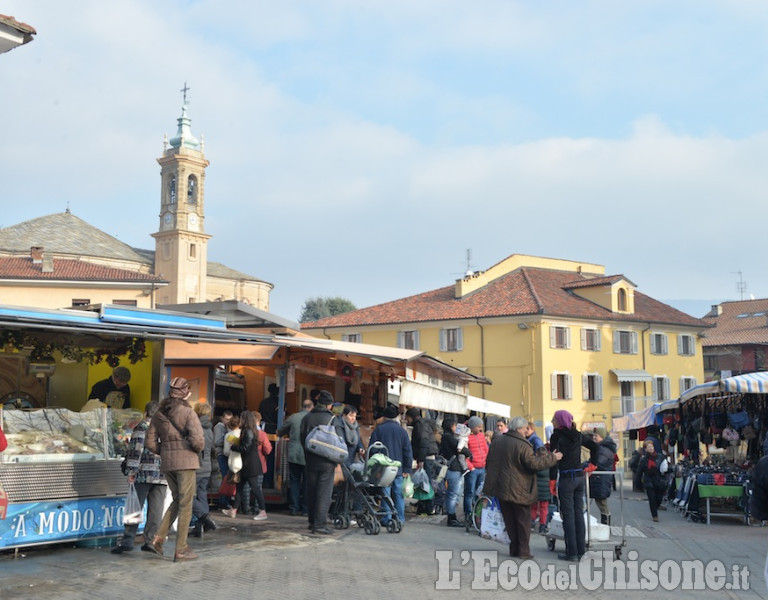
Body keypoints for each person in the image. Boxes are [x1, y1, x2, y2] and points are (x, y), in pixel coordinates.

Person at [484, 416, 561, 559]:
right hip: (519, 488)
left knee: (509, 520)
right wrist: (552, 458)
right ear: (519, 428)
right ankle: (523, 551)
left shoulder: (497, 441)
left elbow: (489, 462)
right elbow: (533, 464)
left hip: (500, 487)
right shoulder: (522, 444)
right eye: (526, 428)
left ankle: (514, 549)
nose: (527, 431)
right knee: (522, 521)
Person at [145, 377, 205, 561]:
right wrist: (195, 449)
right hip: (186, 463)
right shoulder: (188, 412)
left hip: (168, 463)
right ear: (185, 392)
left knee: (177, 500)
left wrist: (165, 451)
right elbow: (198, 441)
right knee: (186, 504)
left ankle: (158, 538)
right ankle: (181, 549)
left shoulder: (159, 414)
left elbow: (149, 442)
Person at [111, 399, 167, 554]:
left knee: (135, 507)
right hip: (162, 475)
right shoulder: (166, 428)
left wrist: (131, 472)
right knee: (156, 510)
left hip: (143, 474)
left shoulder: (142, 427)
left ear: (146, 412)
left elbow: (136, 451)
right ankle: (150, 541)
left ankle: (128, 541)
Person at [549, 409, 598, 562]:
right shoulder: (577, 435)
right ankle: (581, 552)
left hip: (566, 479)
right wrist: (592, 465)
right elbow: (595, 447)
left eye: (554, 419)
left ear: (559, 421)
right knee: (579, 515)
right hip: (579, 477)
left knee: (568, 516)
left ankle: (571, 553)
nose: (552, 422)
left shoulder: (556, 436)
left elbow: (553, 460)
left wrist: (552, 481)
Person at [300, 390, 339, 535]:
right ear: (329, 405)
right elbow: (338, 440)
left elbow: (302, 438)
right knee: (324, 492)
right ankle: (320, 524)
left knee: (312, 491)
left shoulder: (307, 418)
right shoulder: (332, 419)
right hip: (327, 461)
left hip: (310, 459)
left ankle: (312, 522)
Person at [369, 404, 413, 524]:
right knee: (398, 494)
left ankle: (386, 518)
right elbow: (408, 451)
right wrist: (407, 469)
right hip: (398, 468)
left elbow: (372, 449)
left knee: (385, 493)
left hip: (383, 468)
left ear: (384, 417)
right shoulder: (402, 432)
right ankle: (400, 519)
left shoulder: (379, 430)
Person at [224, 411, 271, 520]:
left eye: (241, 418)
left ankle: (262, 511)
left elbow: (245, 448)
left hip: (250, 464)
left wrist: (233, 446)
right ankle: (233, 510)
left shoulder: (248, 432)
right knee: (240, 487)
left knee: (255, 488)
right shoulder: (250, 431)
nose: (240, 420)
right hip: (248, 464)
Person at [278, 399, 313, 516]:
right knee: (307, 483)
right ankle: (305, 509)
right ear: (311, 407)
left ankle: (293, 508)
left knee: (294, 481)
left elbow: (280, 431)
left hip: (294, 454)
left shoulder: (293, 417)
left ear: (302, 406)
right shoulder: (313, 418)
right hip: (308, 455)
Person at [405, 407, 440, 516]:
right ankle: (423, 505)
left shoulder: (420, 426)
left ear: (411, 417)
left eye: (407, 418)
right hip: (427, 456)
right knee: (424, 482)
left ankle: (428, 507)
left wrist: (420, 459)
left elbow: (424, 442)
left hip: (426, 458)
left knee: (426, 482)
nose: (406, 421)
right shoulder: (422, 424)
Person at [438, 417, 473, 527]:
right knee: (453, 494)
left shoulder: (444, 437)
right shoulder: (449, 438)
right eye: (454, 426)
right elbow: (461, 449)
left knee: (451, 494)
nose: (456, 428)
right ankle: (452, 517)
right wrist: (468, 452)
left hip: (449, 467)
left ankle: (451, 515)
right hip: (454, 468)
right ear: (450, 426)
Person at [190, 402, 217, 537]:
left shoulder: (195, 427)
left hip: (196, 466)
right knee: (202, 496)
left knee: (189, 496)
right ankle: (199, 528)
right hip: (207, 467)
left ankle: (204, 517)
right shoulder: (210, 430)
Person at [590, 427, 617, 525]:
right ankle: (605, 525)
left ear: (601, 437)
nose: (594, 437)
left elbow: (598, 462)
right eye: (593, 435)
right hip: (598, 479)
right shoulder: (601, 447)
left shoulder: (604, 449)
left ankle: (606, 525)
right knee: (600, 501)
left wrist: (586, 465)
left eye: (596, 436)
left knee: (602, 502)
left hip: (601, 479)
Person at [525, 422, 549, 534]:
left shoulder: (535, 440)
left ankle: (532, 522)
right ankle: (543, 525)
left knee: (533, 506)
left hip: (535, 487)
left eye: (527, 428)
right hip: (545, 490)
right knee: (544, 507)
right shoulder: (548, 465)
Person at [463, 416, 488, 522]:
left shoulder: (481, 436)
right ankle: (468, 514)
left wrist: (487, 462)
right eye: (478, 427)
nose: (480, 429)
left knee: (480, 493)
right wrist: (471, 467)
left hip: (482, 468)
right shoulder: (466, 437)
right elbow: (464, 455)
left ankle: (477, 515)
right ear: (472, 427)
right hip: (473, 469)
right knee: (469, 492)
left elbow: (485, 449)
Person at [637, 439, 667, 522]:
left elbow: (665, 467)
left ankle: (657, 506)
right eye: (648, 447)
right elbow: (639, 472)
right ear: (645, 449)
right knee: (652, 499)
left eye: (652, 446)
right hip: (649, 481)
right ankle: (655, 515)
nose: (651, 448)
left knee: (659, 498)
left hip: (659, 480)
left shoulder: (660, 456)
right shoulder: (644, 460)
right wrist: (638, 484)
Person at [213, 410, 233, 509]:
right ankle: (223, 501)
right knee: (225, 477)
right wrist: (228, 440)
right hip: (221, 454)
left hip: (226, 455)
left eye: (230, 419)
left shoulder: (227, 428)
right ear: (222, 418)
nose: (228, 421)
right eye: (227, 419)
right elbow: (217, 441)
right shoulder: (219, 427)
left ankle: (225, 501)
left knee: (227, 477)